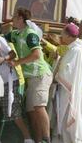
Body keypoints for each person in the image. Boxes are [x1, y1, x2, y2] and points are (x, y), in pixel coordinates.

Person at [6, 8, 52, 143]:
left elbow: (36, 54)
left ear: (20, 18)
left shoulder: (30, 34)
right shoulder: (16, 34)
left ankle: (46, 139)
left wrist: (17, 62)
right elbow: (1, 36)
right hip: (31, 77)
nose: (12, 20)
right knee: (31, 112)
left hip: (40, 75)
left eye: (14, 17)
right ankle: (37, 140)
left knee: (39, 107)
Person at [52, 23, 82, 143]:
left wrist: (57, 75)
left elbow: (68, 72)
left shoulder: (76, 50)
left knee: (70, 119)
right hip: (66, 90)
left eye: (63, 33)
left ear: (69, 36)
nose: (61, 36)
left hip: (69, 91)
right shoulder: (73, 49)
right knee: (64, 120)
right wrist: (58, 60)